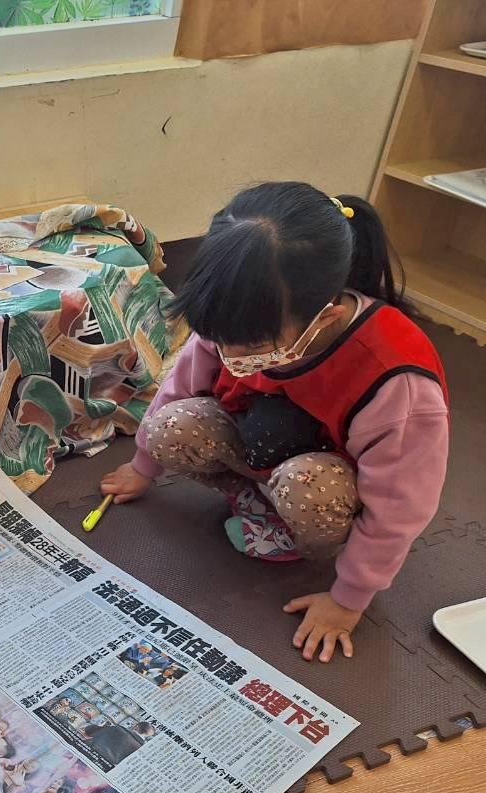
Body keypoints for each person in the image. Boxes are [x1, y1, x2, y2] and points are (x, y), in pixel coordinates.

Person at [101, 183, 448, 665]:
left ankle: (297, 532)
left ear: (325, 317)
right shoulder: (236, 318)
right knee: (169, 425)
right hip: (263, 453)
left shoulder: (396, 379)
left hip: (327, 489)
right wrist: (143, 466)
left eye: (251, 345)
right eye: (220, 338)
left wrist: (349, 600)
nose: (230, 354)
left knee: (309, 487)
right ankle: (259, 502)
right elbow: (179, 386)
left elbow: (399, 506)